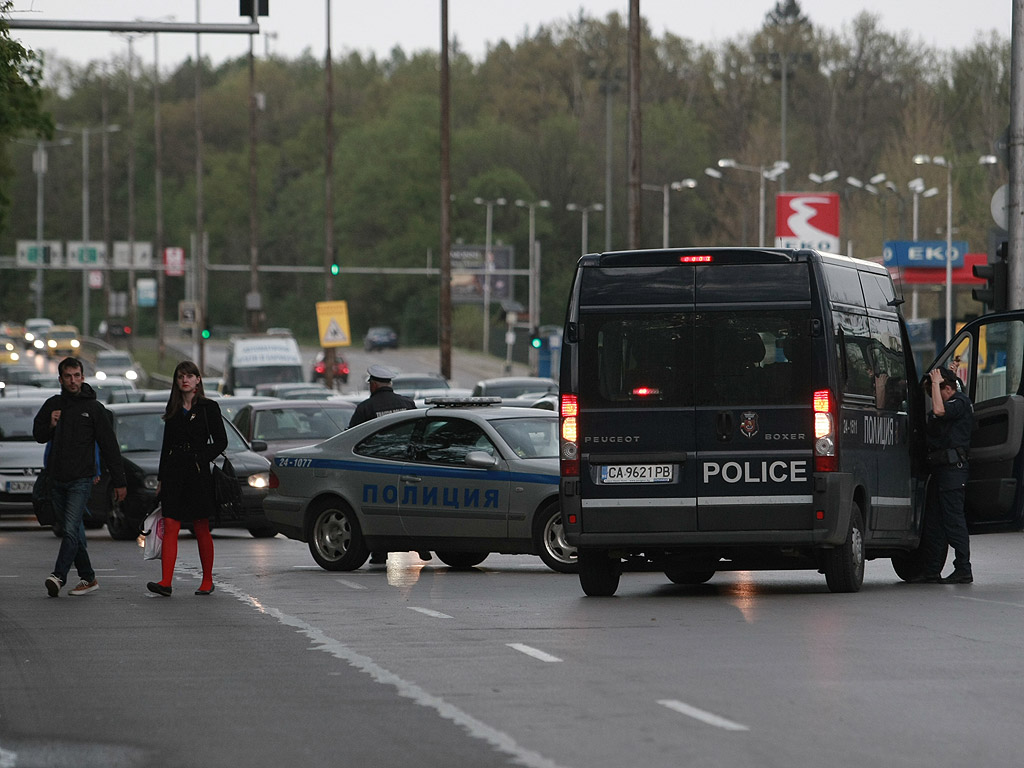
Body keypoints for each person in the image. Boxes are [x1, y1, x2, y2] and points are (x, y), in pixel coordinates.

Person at [34, 357, 127, 597]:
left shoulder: (94, 409)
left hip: (81, 480)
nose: (73, 380)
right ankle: (88, 577)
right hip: (56, 480)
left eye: (77, 375)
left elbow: (109, 446)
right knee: (71, 530)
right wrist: (51, 423)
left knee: (70, 529)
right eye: (68, 376)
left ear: (83, 377)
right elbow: (38, 435)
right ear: (61, 379)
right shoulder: (53, 404)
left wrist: (120, 481)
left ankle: (58, 575)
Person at [147, 361, 228, 597]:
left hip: (197, 473)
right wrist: (161, 478)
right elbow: (166, 445)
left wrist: (200, 458)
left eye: (190, 376)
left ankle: (207, 579)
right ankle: (166, 581)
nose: (185, 380)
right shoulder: (172, 409)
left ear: (198, 380)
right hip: (174, 472)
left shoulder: (208, 407)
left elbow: (222, 441)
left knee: (201, 525)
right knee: (171, 524)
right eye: (181, 376)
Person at [348, 365, 418, 565]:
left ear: (374, 384)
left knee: (380, 511)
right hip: (408, 464)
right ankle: (421, 545)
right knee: (411, 507)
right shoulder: (408, 403)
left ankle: (380, 553)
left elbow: (353, 436)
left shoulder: (366, 408)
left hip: (379, 466)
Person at [912, 367, 974, 584]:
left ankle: (963, 569)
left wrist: (939, 383)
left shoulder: (960, 403)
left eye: (936, 391)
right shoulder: (948, 402)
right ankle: (931, 570)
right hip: (939, 471)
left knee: (953, 521)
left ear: (948, 388)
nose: (933, 398)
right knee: (934, 523)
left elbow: (939, 410)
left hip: (953, 471)